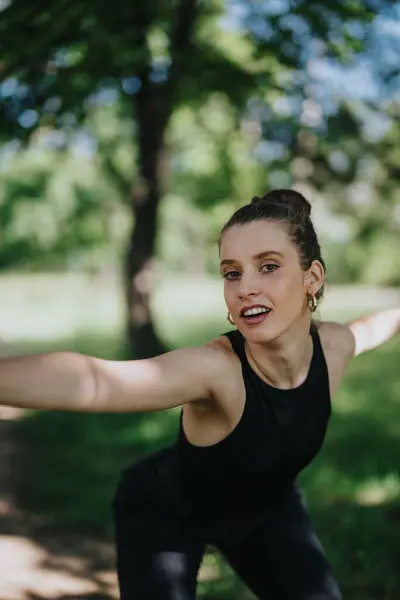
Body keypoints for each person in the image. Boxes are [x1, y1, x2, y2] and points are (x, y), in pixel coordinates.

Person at [0, 189, 399, 600]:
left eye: (268, 267)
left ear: (312, 277)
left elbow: (372, 328)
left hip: (267, 511)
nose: (245, 287)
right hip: (166, 512)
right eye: (232, 273)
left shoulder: (334, 347)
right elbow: (99, 381)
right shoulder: (217, 370)